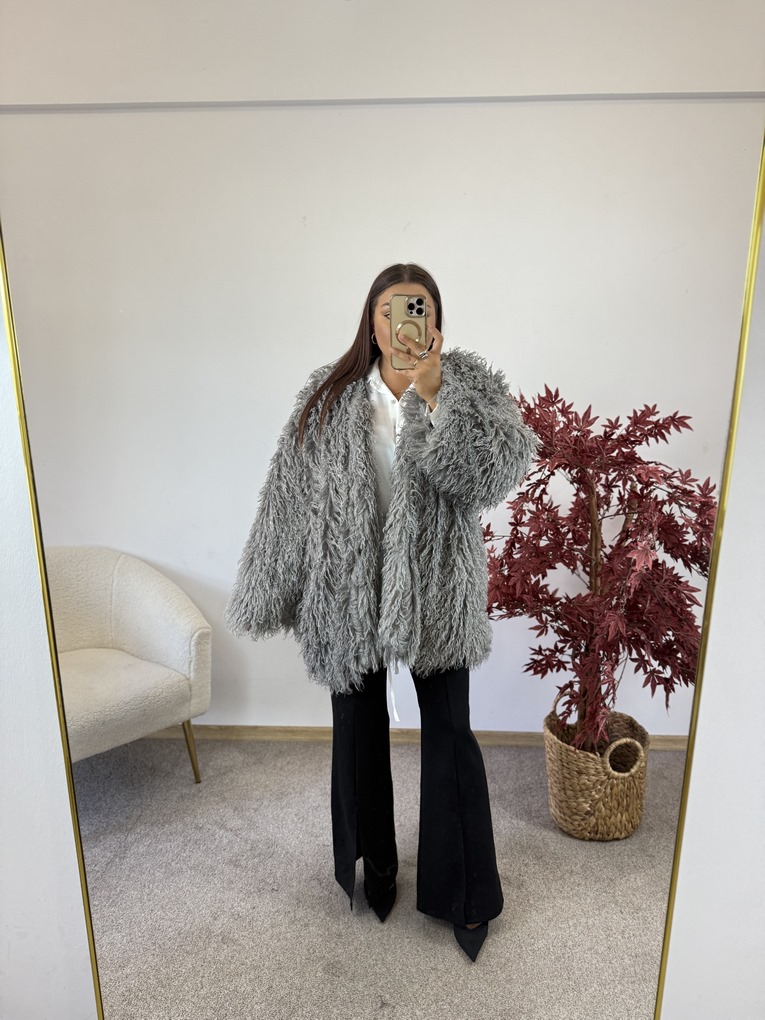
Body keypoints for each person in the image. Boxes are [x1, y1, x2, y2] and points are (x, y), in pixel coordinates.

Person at [226, 263, 537, 961]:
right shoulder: (329, 394)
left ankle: (464, 895)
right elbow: (288, 493)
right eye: (392, 309)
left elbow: (490, 477)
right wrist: (271, 585)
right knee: (357, 734)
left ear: (435, 321)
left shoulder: (465, 385)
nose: (404, 324)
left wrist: (434, 396)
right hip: (347, 588)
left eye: (418, 309)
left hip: (437, 588)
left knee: (450, 734)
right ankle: (377, 869)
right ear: (371, 320)